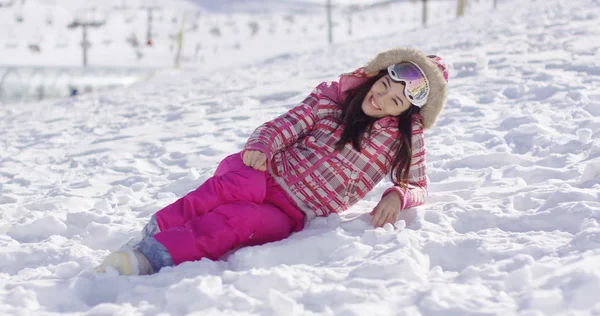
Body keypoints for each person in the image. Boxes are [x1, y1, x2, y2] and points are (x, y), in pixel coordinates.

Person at [95, 47, 449, 275]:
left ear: (407, 113)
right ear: (377, 74)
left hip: (293, 212)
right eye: (385, 85)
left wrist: (397, 196)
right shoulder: (334, 100)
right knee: (237, 187)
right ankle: (154, 230)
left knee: (237, 221)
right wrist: (261, 147)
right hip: (262, 172)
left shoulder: (404, 141)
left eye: (396, 101)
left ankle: (149, 257)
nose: (383, 98)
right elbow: (284, 125)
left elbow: (416, 183)